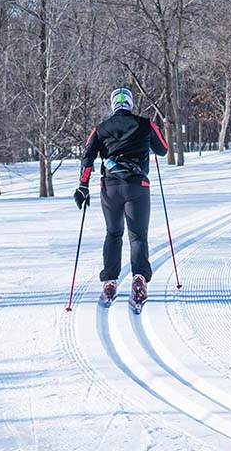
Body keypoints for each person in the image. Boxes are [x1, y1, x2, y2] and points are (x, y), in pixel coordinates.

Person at [73, 87, 169, 311]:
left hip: (111, 188)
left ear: (113, 104)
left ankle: (109, 282)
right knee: (138, 236)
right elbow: (163, 149)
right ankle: (139, 280)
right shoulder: (145, 124)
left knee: (113, 234)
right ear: (131, 104)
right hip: (137, 186)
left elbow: (87, 158)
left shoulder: (100, 128)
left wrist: (82, 187)